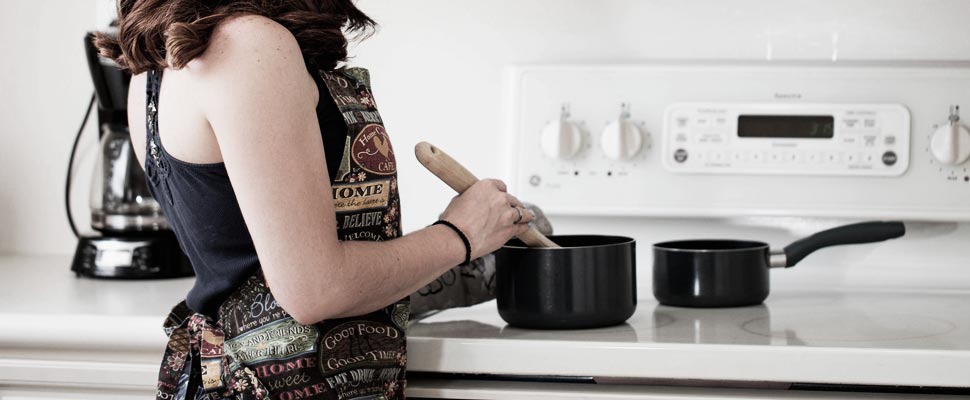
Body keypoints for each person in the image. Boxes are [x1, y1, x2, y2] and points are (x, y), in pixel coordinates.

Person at [96, 1, 550, 399]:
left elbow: (246, 266)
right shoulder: (247, 45)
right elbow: (314, 289)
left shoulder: (163, 59)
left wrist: (443, 268)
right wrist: (461, 235)